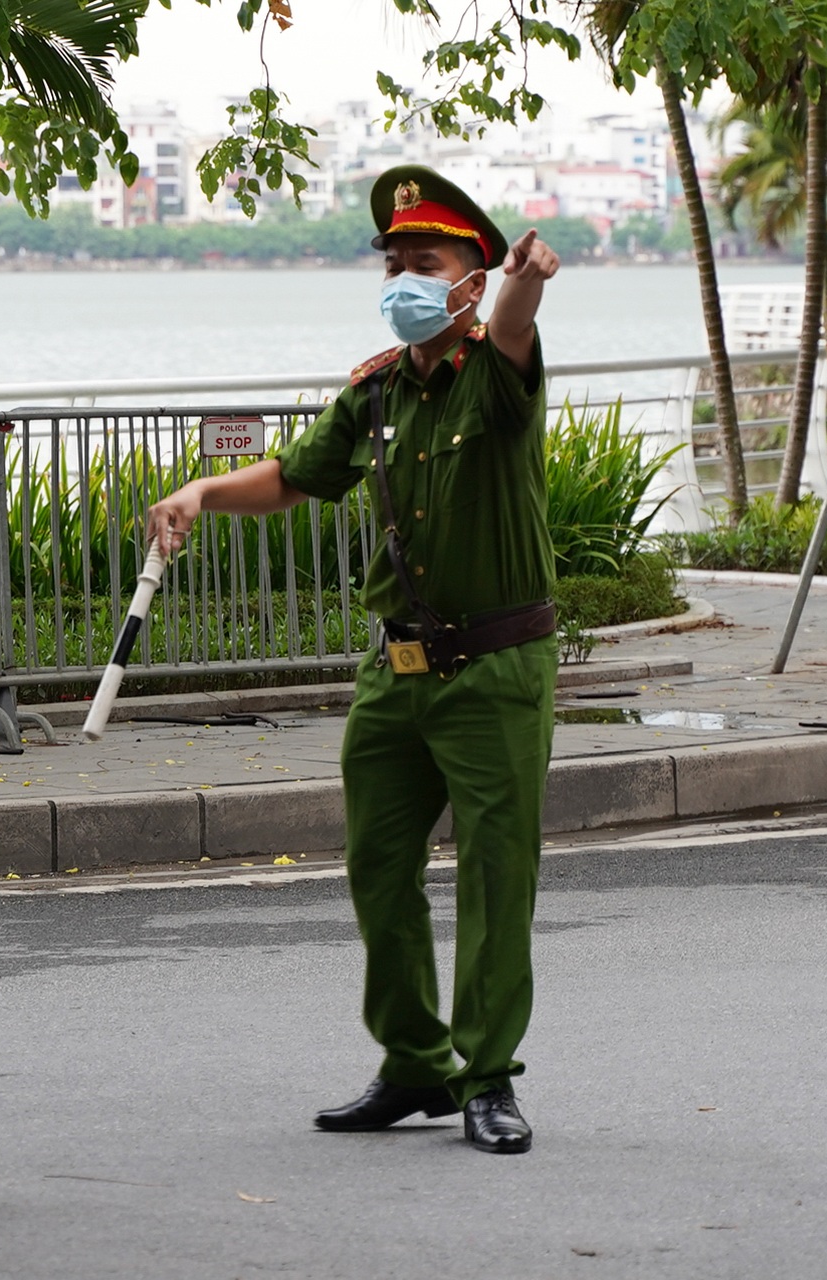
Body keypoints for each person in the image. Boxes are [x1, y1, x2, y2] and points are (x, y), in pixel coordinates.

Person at [147, 166, 562, 1154]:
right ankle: (416, 1062)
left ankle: (488, 1075)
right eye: (394, 262)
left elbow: (512, 324)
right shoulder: (377, 392)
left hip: (495, 673)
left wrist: (528, 281)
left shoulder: (497, 375)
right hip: (394, 676)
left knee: (498, 877)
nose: (404, 277)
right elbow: (295, 476)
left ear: (469, 280)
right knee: (378, 868)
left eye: (426, 262)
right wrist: (203, 490)